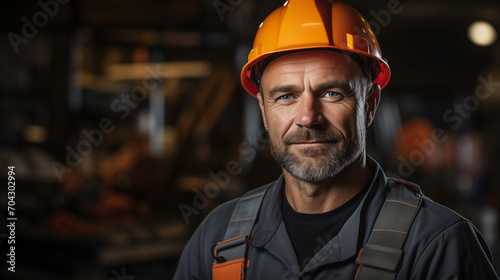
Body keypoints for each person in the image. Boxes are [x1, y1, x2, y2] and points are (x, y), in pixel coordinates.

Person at [174, 0, 499, 279]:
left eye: (331, 92)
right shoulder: (218, 239)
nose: (307, 117)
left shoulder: (436, 246)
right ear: (263, 109)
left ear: (369, 104)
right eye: (286, 96)